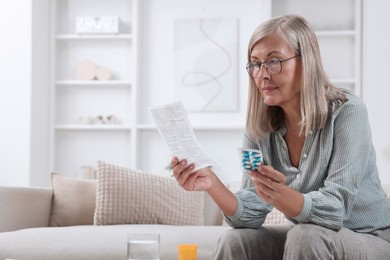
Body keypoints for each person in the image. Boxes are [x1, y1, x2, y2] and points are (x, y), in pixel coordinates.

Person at [171, 15, 390, 259]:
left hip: (369, 237)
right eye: (255, 64)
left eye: (273, 61)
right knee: (237, 240)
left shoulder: (348, 111)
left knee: (305, 235)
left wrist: (279, 193)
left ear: (305, 62)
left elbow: (335, 210)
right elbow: (250, 214)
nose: (262, 74)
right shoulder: (259, 127)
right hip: (309, 236)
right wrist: (211, 183)